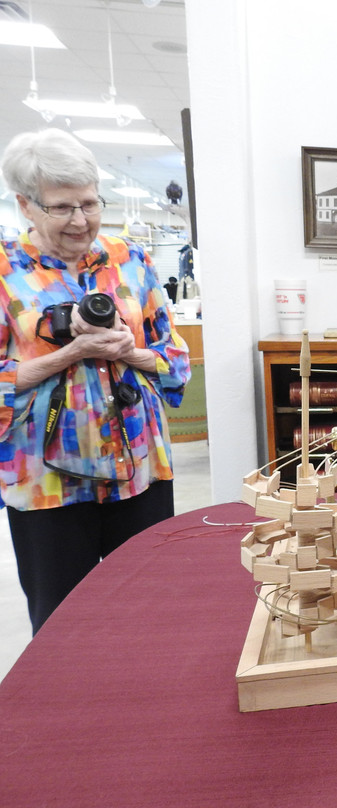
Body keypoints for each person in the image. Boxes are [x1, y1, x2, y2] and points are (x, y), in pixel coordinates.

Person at [0, 128, 191, 634]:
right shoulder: (3, 272)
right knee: (63, 623)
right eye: (62, 208)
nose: (80, 221)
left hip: (141, 471)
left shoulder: (130, 259)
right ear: (26, 205)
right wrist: (71, 353)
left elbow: (175, 361)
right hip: (46, 483)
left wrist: (133, 351)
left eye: (89, 203)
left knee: (156, 611)